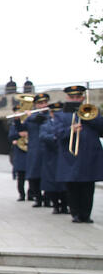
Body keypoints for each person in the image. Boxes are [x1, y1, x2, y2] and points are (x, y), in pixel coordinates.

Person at [48, 86, 102, 223]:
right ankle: (76, 213)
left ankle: (86, 214)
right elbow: (57, 133)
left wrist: (89, 118)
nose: (75, 99)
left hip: (89, 155)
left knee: (88, 187)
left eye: (78, 97)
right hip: (70, 156)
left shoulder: (93, 112)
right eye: (72, 97)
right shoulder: (61, 114)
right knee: (72, 187)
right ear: (67, 98)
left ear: (82, 98)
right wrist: (70, 130)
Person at [39, 102, 68, 215]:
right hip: (51, 157)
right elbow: (42, 136)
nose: (56, 114)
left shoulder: (66, 124)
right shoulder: (45, 125)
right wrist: (55, 137)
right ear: (51, 113)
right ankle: (55, 205)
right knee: (51, 183)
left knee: (64, 183)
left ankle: (65, 206)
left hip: (63, 156)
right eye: (54, 112)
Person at [24, 93, 51, 207]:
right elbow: (21, 129)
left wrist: (31, 116)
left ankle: (48, 199)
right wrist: (18, 120)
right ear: (36, 105)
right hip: (35, 150)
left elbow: (43, 120)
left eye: (45, 102)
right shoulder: (31, 117)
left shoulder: (50, 115)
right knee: (34, 175)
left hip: (48, 149)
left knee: (48, 175)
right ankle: (38, 198)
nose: (43, 105)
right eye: (40, 103)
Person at [8, 105, 29, 201]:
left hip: (29, 150)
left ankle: (31, 194)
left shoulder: (28, 122)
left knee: (32, 175)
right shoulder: (13, 125)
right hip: (19, 151)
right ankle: (22, 194)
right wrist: (19, 135)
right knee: (21, 175)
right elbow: (11, 136)